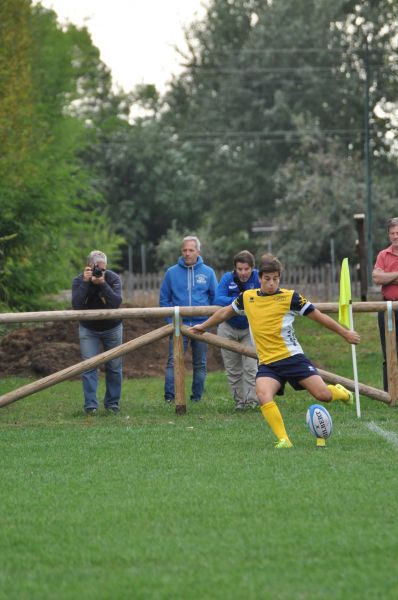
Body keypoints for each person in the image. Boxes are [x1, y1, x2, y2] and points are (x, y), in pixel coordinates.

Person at [190, 254, 360, 448]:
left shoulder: (291, 297)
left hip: (292, 358)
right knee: (263, 394)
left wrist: (345, 333)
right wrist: (203, 326)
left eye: (276, 279)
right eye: (267, 279)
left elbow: (319, 317)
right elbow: (224, 312)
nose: (272, 283)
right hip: (268, 363)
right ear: (260, 278)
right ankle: (284, 439)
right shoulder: (248, 297)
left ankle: (342, 393)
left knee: (324, 396)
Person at [159, 235, 218, 403]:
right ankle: (169, 398)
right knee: (173, 363)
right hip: (178, 325)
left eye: (191, 250)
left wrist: (209, 322)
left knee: (200, 364)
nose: (187, 253)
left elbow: (215, 298)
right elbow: (164, 299)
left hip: (202, 325)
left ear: (198, 251)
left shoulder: (208, 272)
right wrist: (171, 323)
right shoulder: (171, 273)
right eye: (184, 250)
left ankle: (196, 398)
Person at [72, 250, 123, 415]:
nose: (100, 271)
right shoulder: (79, 280)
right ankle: (90, 406)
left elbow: (116, 303)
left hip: (113, 327)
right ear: (88, 266)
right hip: (88, 328)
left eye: (103, 268)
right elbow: (77, 306)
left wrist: (102, 283)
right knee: (89, 367)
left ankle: (113, 404)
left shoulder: (112, 278)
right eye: (96, 268)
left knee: (114, 367)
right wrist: (86, 283)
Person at [215, 250, 260, 410]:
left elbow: (267, 296)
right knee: (233, 368)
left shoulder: (258, 277)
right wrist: (240, 300)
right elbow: (218, 298)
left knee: (250, 366)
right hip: (227, 326)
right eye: (239, 269)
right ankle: (240, 403)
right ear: (235, 268)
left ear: (252, 268)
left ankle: (252, 402)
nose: (243, 273)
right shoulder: (228, 278)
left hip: (250, 327)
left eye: (246, 269)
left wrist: (250, 301)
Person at [372, 217, 398, 391]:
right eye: (392, 233)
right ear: (388, 235)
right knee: (388, 351)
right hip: (387, 308)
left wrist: (388, 277)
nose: (395, 236)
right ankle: (389, 394)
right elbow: (376, 278)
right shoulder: (383, 255)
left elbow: (383, 277)